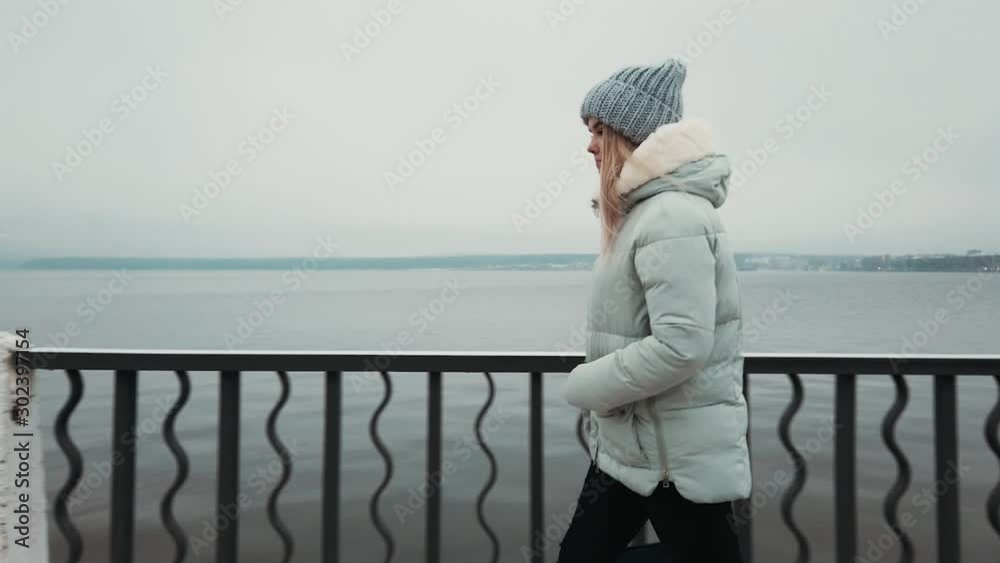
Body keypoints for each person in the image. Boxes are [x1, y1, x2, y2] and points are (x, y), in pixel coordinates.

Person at [559, 59, 751, 563]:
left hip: (671, 462)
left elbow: (681, 345)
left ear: (630, 135)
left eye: (599, 130)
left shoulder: (671, 215)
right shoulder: (647, 214)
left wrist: (586, 384)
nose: (589, 144)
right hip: (636, 449)